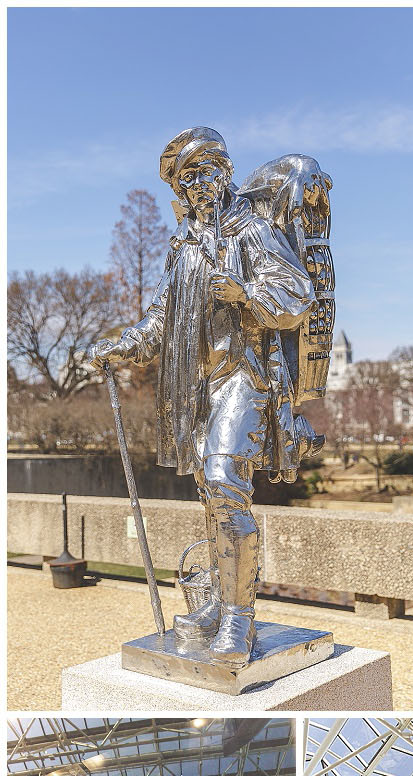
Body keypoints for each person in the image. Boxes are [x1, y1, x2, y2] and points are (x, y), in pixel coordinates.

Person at [90, 127, 318, 666]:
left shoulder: (252, 230)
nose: (198, 185)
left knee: (223, 482)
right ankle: (220, 601)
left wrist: (246, 293)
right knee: (210, 499)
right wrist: (122, 344)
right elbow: (162, 318)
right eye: (186, 178)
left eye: (204, 171)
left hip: (246, 374)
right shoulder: (186, 247)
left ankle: (240, 618)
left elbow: (297, 296)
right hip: (197, 388)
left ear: (224, 171)